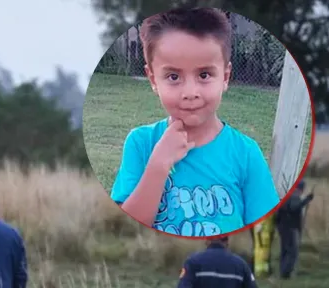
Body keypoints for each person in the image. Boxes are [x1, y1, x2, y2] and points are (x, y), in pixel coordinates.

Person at [110, 7, 279, 237]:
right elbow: (126, 233)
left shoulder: (246, 154)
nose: (190, 92)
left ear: (225, 77)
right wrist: (159, 163)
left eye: (204, 75)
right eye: (173, 77)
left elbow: (262, 234)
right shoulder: (141, 144)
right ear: (153, 79)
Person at [274, 180, 314, 279]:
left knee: (285, 250)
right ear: (301, 188)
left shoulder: (285, 196)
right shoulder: (294, 196)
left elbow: (278, 213)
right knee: (292, 251)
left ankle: (283, 271)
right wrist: (307, 200)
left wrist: (278, 225)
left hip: (282, 227)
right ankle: (286, 273)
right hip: (291, 227)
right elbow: (294, 207)